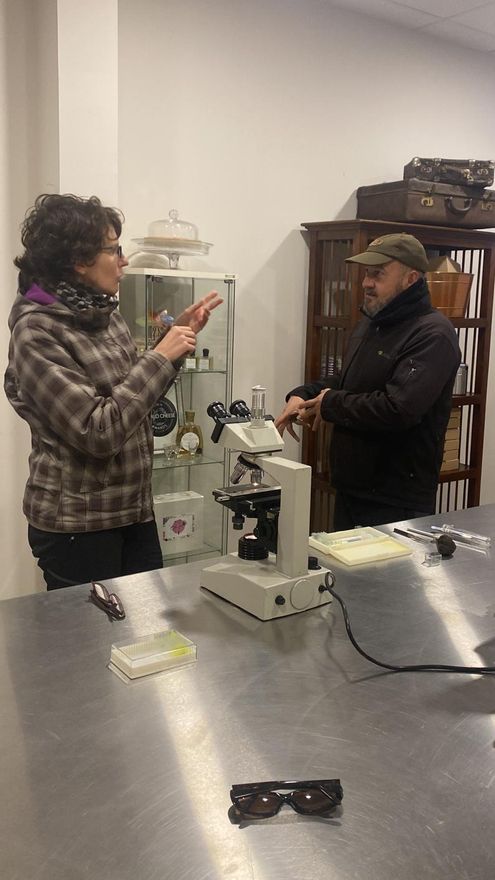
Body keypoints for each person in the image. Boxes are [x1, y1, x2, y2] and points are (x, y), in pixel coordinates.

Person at [4, 193, 222, 589]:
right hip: (79, 527)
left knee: (147, 637)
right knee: (90, 647)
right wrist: (160, 355)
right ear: (78, 259)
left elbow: (134, 401)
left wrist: (173, 343)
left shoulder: (106, 316)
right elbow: (98, 431)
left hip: (134, 512)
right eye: (113, 249)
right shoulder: (36, 331)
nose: (123, 261)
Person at [275, 233, 461, 530]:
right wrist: (302, 394)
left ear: (411, 278)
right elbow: (348, 380)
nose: (366, 283)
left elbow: (398, 408)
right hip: (352, 491)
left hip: (395, 501)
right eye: (366, 273)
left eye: (378, 274)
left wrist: (330, 403)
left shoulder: (433, 334)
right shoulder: (371, 324)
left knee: (387, 579)